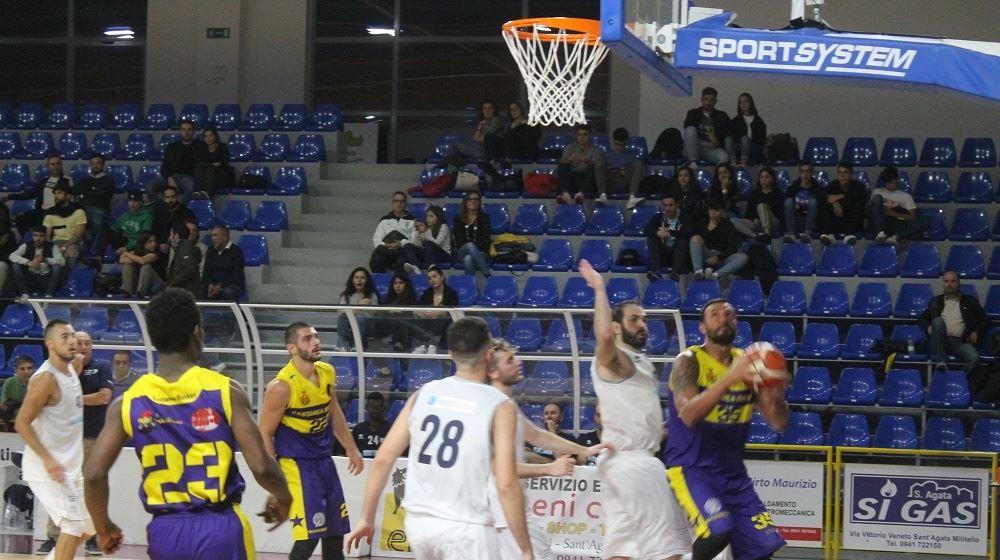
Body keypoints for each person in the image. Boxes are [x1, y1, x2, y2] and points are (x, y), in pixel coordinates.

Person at [83, 288, 292, 558]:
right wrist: (285, 497)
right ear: (197, 331)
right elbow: (262, 466)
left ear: (153, 337)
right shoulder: (225, 390)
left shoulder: (128, 402)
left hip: (165, 533)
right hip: (220, 529)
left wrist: (104, 527)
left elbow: (93, 475)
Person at [344, 317, 532, 559]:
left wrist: (366, 518)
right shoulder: (500, 405)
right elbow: (506, 483)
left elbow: (383, 459)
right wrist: (525, 549)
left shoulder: (424, 393)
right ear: (488, 355)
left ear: (451, 354)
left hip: (420, 523)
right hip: (467, 525)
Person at [577, 260, 691, 560]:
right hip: (635, 464)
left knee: (624, 551)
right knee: (669, 552)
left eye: (643, 319)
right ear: (616, 327)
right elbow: (603, 339)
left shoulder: (640, 361)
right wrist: (599, 290)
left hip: (623, 462)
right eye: (633, 320)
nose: (642, 324)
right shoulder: (616, 360)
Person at [664, 298, 789, 560]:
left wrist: (772, 390)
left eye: (729, 314)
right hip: (692, 468)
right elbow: (687, 415)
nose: (723, 318)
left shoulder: (750, 363)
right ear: (702, 327)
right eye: (714, 314)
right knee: (718, 531)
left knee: (763, 548)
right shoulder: (688, 361)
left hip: (734, 474)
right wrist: (731, 376)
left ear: (736, 323)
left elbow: (779, 423)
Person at [487, 339, 607, 558]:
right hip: (502, 510)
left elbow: (537, 435)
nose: (518, 361)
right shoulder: (495, 407)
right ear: (493, 371)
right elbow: (498, 468)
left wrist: (583, 450)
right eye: (510, 360)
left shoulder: (504, 403)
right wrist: (550, 469)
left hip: (503, 511)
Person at [258, 321, 363, 560]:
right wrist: (274, 478)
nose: (316, 342)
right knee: (310, 535)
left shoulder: (326, 371)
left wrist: (351, 448)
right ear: (291, 348)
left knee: (336, 533)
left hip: (324, 462)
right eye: (307, 338)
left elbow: (333, 411)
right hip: (297, 466)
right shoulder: (281, 386)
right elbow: (264, 432)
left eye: (316, 336)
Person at [15, 319, 92, 560]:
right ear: (49, 344)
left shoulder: (72, 367)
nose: (72, 341)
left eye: (73, 336)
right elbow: (21, 423)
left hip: (70, 467)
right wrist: (48, 460)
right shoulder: (44, 380)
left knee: (90, 527)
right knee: (71, 525)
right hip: (47, 468)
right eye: (64, 337)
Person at [70, 331, 113, 555]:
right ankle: (54, 536)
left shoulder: (101, 367)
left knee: (90, 487)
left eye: (88, 343)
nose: (84, 347)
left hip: (92, 437)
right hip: (67, 440)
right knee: (64, 488)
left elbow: (103, 397)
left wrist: (73, 398)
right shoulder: (65, 369)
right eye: (79, 343)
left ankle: (93, 536)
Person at [919, 271, 988, 373]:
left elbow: (985, 320)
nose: (949, 284)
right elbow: (922, 318)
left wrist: (976, 332)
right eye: (946, 281)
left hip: (960, 342)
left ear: (958, 283)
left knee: (974, 358)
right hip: (939, 341)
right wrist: (928, 326)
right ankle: (941, 362)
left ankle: (959, 379)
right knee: (937, 321)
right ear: (943, 283)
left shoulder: (970, 301)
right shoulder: (936, 301)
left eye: (953, 281)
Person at [6, 153, 72, 235]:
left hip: (57, 211)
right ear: (48, 166)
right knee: (20, 220)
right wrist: (11, 196)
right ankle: (28, 242)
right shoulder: (44, 180)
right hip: (42, 211)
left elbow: (69, 198)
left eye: (58, 164)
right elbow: (31, 194)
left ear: (61, 165)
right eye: (53, 164)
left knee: (43, 226)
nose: (56, 166)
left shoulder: (67, 180)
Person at [690, 199, 749, 284]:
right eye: (711, 210)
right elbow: (696, 244)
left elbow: (732, 247)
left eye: (716, 211)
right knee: (695, 238)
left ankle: (715, 275)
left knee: (743, 257)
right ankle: (698, 271)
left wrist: (718, 257)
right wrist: (709, 229)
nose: (713, 213)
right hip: (705, 254)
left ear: (722, 212)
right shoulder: (702, 222)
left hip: (722, 256)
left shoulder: (728, 225)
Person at [870, 166, 929, 246]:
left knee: (925, 220)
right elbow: (869, 211)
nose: (889, 185)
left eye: (892, 182)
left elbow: (912, 217)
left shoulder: (906, 196)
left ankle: (896, 236)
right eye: (888, 182)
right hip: (881, 221)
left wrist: (892, 213)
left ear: (897, 180)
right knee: (877, 198)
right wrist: (881, 209)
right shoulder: (877, 192)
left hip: (898, 222)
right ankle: (881, 234)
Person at [146, 119, 203, 203]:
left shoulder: (200, 146)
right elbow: (165, 165)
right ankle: (161, 209)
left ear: (193, 131)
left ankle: (181, 211)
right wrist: (169, 178)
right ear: (180, 131)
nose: (186, 132)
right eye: (183, 129)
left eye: (189, 129)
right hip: (171, 176)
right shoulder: (172, 147)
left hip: (188, 177)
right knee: (149, 186)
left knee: (191, 186)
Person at [72, 153, 115, 260]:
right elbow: (74, 191)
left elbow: (103, 195)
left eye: (98, 163)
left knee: (97, 222)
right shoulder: (84, 180)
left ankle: (95, 255)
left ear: (103, 165)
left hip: (99, 210)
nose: (95, 166)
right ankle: (77, 250)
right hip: (82, 209)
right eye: (93, 164)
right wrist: (92, 193)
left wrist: (85, 194)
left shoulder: (108, 180)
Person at [644, 193, 694, 282]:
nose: (668, 208)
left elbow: (689, 232)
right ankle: (656, 271)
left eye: (671, 205)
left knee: (683, 241)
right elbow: (646, 230)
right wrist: (658, 233)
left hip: (680, 255)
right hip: (664, 253)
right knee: (651, 239)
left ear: (677, 204)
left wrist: (670, 232)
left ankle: (676, 272)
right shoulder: (659, 216)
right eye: (665, 205)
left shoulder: (685, 216)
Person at [369, 191, 420, 275]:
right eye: (396, 201)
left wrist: (401, 243)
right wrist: (385, 245)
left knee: (402, 261)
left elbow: (415, 241)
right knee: (376, 259)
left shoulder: (413, 220)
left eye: (402, 201)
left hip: (402, 250)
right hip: (386, 249)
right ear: (392, 203)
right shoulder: (385, 219)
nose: (399, 204)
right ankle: (381, 283)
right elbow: (377, 239)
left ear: (405, 203)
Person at [10, 225, 64, 303]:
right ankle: (24, 294)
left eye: (41, 236)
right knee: (15, 266)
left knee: (57, 267)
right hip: (30, 278)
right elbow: (12, 255)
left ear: (45, 237)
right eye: (35, 235)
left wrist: (45, 259)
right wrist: (28, 262)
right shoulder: (27, 245)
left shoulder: (52, 246)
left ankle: (49, 295)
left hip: (45, 279)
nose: (37, 238)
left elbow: (62, 261)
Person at [819, 162, 868, 246]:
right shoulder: (833, 185)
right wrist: (835, 203)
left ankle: (849, 235)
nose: (842, 175)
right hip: (836, 222)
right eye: (840, 172)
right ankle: (830, 235)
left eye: (845, 172)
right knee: (824, 203)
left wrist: (841, 196)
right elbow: (821, 195)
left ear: (851, 174)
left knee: (858, 203)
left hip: (853, 224)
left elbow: (863, 196)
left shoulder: (858, 186)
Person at [42, 181, 87, 273]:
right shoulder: (50, 212)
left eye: (59, 193)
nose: (56, 196)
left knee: (71, 252)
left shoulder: (78, 211)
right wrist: (54, 248)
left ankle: (69, 283)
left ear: (68, 196)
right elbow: (47, 236)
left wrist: (63, 248)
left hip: (73, 242)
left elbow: (77, 236)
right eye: (55, 193)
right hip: (55, 242)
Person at [415, 265, 459, 353]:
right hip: (427, 322)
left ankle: (432, 345)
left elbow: (453, 312)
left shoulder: (451, 293)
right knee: (414, 320)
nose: (432, 280)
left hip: (445, 324)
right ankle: (421, 346)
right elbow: (415, 309)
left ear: (442, 277)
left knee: (440, 319)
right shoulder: (427, 293)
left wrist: (438, 313)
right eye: (429, 278)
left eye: (435, 276)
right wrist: (420, 313)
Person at [557, 124, 605, 204]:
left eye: (584, 135)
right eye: (579, 135)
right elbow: (562, 165)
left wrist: (588, 162)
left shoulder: (596, 150)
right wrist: (569, 160)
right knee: (562, 165)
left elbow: (599, 169)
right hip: (573, 179)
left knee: (593, 170)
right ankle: (566, 194)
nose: (581, 138)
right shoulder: (570, 147)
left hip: (587, 180)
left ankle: (581, 194)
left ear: (589, 135)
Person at [683, 86, 730, 165]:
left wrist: (717, 142)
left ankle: (718, 176)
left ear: (715, 101)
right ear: (702, 99)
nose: (708, 102)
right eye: (706, 99)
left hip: (711, 148)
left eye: (711, 100)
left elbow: (728, 132)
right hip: (695, 146)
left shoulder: (722, 116)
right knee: (690, 129)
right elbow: (688, 126)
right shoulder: (693, 113)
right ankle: (693, 163)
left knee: (724, 156)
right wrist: (708, 135)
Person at [708, 162, 757, 238]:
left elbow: (728, 207)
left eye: (725, 172)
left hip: (734, 217)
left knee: (751, 224)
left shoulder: (735, 189)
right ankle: (754, 235)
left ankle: (750, 233)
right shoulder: (713, 191)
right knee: (731, 222)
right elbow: (719, 208)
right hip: (719, 218)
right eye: (720, 173)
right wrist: (724, 189)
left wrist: (725, 189)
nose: (723, 175)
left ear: (730, 174)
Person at [335, 267, 379, 350]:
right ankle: (342, 345)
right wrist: (359, 306)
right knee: (343, 318)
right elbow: (341, 313)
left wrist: (351, 311)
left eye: (362, 278)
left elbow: (371, 315)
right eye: (356, 277)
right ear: (352, 280)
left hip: (368, 327)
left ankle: (357, 346)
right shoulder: (346, 295)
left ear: (367, 281)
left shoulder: (372, 296)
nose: (359, 280)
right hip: (349, 325)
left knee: (360, 318)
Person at [450, 99, 505, 164]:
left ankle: (449, 165)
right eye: (485, 108)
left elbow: (487, 137)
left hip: (488, 151)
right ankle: (454, 165)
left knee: (456, 145)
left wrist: (480, 136)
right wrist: (479, 128)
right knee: (458, 153)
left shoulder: (496, 120)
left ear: (494, 110)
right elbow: (475, 139)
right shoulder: (483, 122)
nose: (487, 111)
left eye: (490, 108)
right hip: (479, 147)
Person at [452, 191, 492, 277]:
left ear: (479, 202)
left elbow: (486, 239)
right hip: (461, 252)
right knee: (469, 245)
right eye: (470, 199)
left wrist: (474, 252)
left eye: (476, 199)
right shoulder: (458, 219)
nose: (473, 201)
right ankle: (486, 273)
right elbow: (459, 240)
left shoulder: (484, 218)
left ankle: (471, 287)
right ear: (465, 202)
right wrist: (471, 248)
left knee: (468, 259)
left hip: (481, 253)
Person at [201, 225, 246, 301]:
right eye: (212, 235)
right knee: (200, 289)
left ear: (225, 237)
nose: (212, 238)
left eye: (216, 235)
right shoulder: (211, 250)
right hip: (214, 283)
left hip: (232, 285)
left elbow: (237, 276)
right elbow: (206, 271)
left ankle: (225, 312)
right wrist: (210, 284)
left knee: (227, 292)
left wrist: (221, 286)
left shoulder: (236, 252)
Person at [604, 127, 644, 208]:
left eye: (622, 145)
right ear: (613, 142)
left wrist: (626, 171)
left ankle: (632, 196)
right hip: (610, 184)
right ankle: (601, 194)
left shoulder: (632, 156)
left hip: (625, 184)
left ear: (626, 143)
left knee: (638, 164)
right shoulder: (606, 155)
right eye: (617, 144)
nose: (619, 148)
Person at [782, 160, 822, 243]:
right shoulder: (793, 188)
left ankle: (807, 235)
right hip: (796, 220)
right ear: (800, 173)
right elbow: (785, 204)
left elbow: (822, 207)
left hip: (812, 222)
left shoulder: (817, 189)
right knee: (788, 201)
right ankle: (791, 235)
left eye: (808, 171)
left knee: (813, 201)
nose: (805, 174)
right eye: (803, 171)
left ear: (812, 173)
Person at [379, 271, 419, 351]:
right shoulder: (388, 300)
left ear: (406, 285)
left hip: (407, 331)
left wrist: (402, 311)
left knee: (399, 317)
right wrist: (389, 311)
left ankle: (398, 342)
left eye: (401, 283)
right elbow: (379, 312)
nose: (398, 286)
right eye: (395, 283)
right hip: (388, 328)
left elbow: (414, 313)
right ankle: (397, 342)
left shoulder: (411, 300)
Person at [149, 185, 196, 252]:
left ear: (177, 197)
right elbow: (154, 231)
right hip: (160, 246)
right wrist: (159, 244)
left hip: (179, 246)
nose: (170, 200)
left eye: (173, 197)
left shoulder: (185, 212)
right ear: (163, 198)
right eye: (167, 197)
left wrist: (174, 243)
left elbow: (188, 232)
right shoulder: (159, 211)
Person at [120, 231, 166, 298]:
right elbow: (122, 260)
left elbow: (143, 261)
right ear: (143, 242)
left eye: (154, 241)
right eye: (150, 242)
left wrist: (126, 254)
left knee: (146, 267)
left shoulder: (157, 252)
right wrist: (133, 258)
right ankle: (127, 292)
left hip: (157, 283)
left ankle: (140, 294)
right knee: (127, 266)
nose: (154, 244)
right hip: (139, 282)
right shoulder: (136, 251)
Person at [192, 126, 234, 199]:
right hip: (206, 175)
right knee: (199, 167)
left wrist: (211, 165)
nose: (208, 138)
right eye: (205, 136)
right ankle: (199, 192)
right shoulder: (202, 148)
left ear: (215, 137)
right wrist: (211, 164)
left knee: (210, 168)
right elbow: (199, 162)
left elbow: (224, 162)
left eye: (210, 136)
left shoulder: (222, 147)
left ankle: (208, 193)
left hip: (221, 175)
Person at [726, 92, 766, 167]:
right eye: (741, 102)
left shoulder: (758, 121)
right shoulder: (736, 120)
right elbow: (731, 136)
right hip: (738, 149)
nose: (743, 104)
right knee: (728, 139)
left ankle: (743, 163)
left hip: (753, 150)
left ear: (750, 103)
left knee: (745, 139)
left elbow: (761, 140)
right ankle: (733, 162)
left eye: (746, 101)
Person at [745, 167, 785, 239]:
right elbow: (748, 214)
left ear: (772, 179)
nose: (764, 180)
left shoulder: (778, 194)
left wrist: (768, 210)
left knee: (762, 206)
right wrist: (754, 219)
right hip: (757, 224)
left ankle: (767, 234)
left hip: (773, 223)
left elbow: (780, 215)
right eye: (761, 177)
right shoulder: (754, 194)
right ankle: (754, 236)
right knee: (733, 221)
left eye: (767, 177)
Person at [166, 222, 202, 296]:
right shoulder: (182, 247)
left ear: (176, 235)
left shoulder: (185, 248)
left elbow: (189, 268)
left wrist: (173, 284)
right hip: (183, 289)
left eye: (171, 234)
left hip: (185, 290)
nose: (170, 237)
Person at [350, 392, 389, 459]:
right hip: (362, 467)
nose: (375, 409)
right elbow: (351, 453)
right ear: (367, 407)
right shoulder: (358, 429)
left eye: (378, 406)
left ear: (383, 408)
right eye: (372, 406)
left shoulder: (391, 430)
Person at [0, 356, 33, 430]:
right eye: (22, 369)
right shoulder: (9, 382)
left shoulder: (39, 382)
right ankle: (6, 426)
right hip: (14, 407)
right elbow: (3, 404)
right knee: (7, 406)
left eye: (29, 368)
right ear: (16, 370)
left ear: (34, 369)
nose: (26, 371)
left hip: (32, 408)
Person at [414, 205, 451, 270]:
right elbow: (419, 245)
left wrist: (426, 232)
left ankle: (431, 269)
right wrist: (418, 232)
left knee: (428, 243)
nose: (427, 219)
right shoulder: (427, 229)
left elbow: (436, 244)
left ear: (438, 217)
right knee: (408, 246)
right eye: (427, 216)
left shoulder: (444, 227)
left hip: (444, 255)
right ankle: (415, 268)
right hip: (431, 255)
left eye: (431, 216)